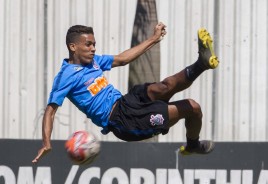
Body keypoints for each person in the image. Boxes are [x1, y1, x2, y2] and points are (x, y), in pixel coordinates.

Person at [32, 22, 219, 163]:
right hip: (124, 122)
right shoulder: (65, 76)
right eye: (88, 45)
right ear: (73, 47)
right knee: (193, 107)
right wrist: (46, 142)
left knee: (164, 87)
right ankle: (193, 144)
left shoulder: (94, 61)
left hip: (127, 102)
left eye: (94, 44)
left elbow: (122, 59)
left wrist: (153, 39)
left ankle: (202, 63)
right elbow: (50, 111)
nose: (93, 48)